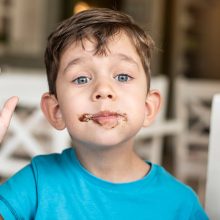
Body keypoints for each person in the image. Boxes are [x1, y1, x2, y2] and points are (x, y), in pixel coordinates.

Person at [0, 8, 208, 219]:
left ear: (148, 107)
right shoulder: (37, 182)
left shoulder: (181, 204)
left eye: (123, 76)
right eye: (81, 79)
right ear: (56, 111)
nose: (103, 90)